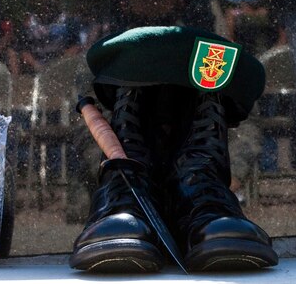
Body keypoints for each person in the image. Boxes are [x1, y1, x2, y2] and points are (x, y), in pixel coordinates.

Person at [70, 26, 278, 272]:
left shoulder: (204, 20)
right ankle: (128, 198)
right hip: (128, 181)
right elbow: (84, 136)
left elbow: (248, 131)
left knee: (207, 92)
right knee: (125, 176)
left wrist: (226, 176)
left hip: (205, 189)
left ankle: (200, 196)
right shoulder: (111, 26)